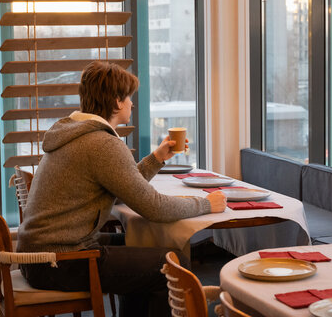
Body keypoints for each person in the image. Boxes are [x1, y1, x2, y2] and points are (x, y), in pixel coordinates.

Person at [17, 61, 227, 316]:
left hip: (40, 255)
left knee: (142, 244)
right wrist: (206, 204)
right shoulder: (102, 143)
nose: (132, 103)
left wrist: (157, 158)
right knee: (173, 265)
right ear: (117, 102)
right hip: (59, 261)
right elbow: (155, 208)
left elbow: (122, 186)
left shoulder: (76, 134)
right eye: (128, 97)